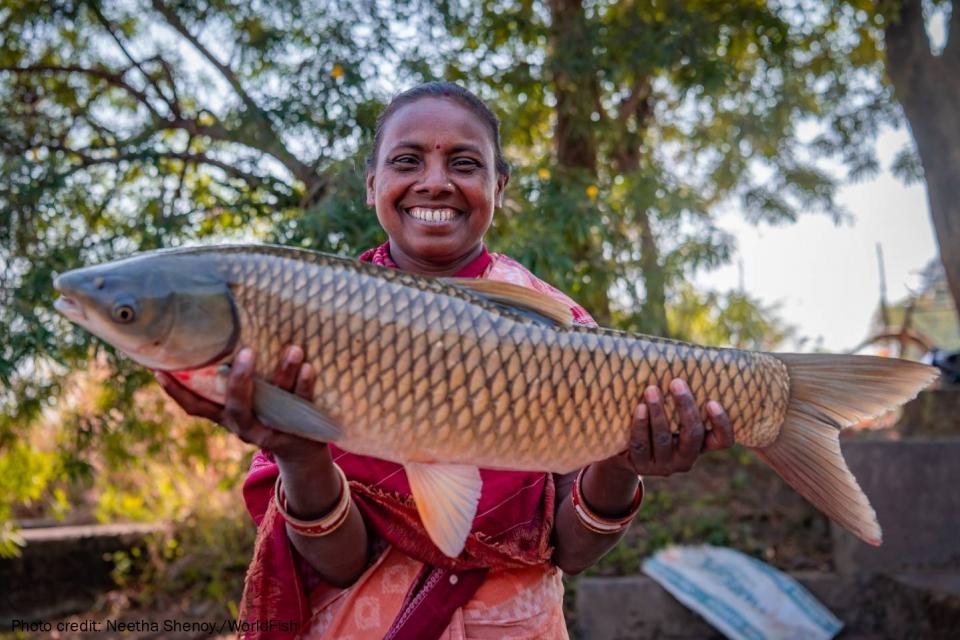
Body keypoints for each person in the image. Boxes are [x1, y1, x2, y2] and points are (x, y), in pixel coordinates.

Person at [156, 81, 735, 639]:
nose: (434, 183)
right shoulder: (310, 314)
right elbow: (339, 563)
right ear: (371, 184)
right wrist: (299, 454)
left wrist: (622, 462)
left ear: (499, 186)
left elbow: (574, 550)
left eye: (463, 163)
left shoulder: (560, 325)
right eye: (407, 162)